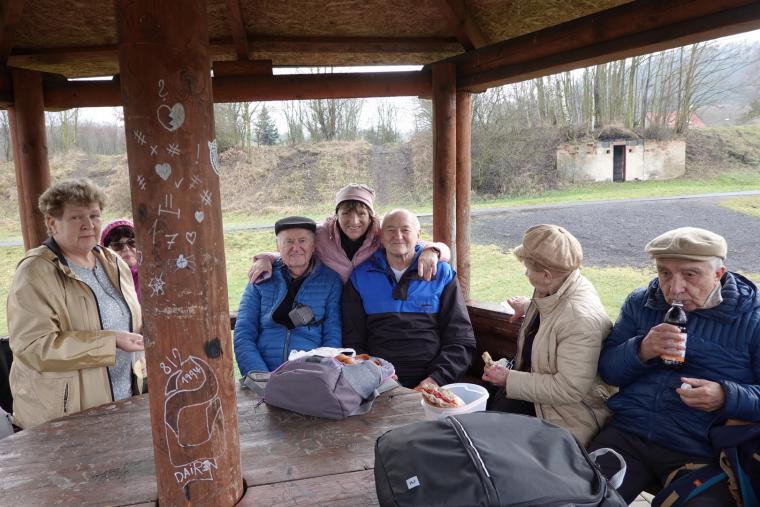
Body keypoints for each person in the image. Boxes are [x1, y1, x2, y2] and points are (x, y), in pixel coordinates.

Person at [589, 227, 760, 505]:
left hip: (702, 451)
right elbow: (608, 371)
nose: (674, 288)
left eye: (690, 274)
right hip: (628, 435)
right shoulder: (641, 303)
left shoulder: (753, 318)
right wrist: (641, 350)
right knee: (577, 497)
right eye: (665, 273)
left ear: (719, 273)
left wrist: (725, 396)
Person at [7, 179, 144, 429]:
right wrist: (110, 341)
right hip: (65, 418)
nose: (88, 224)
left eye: (94, 215)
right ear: (52, 223)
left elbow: (132, 318)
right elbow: (33, 346)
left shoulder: (112, 261)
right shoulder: (35, 272)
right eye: (76, 217)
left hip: (121, 402)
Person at [481, 225, 612, 447]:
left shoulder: (580, 319)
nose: (525, 273)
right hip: (538, 399)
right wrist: (527, 306)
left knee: (491, 440)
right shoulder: (557, 285)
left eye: (527, 268)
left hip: (564, 417)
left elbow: (568, 389)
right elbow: (555, 309)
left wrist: (508, 379)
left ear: (546, 275)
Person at [342, 208, 475, 388]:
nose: (398, 236)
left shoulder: (442, 274)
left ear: (418, 235)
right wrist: (376, 376)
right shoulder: (360, 277)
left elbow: (460, 338)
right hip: (379, 380)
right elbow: (353, 341)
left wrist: (436, 379)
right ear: (381, 236)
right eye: (390, 230)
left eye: (405, 230)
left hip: (434, 378)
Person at [248, 183, 450, 284]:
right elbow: (296, 249)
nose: (354, 221)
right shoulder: (322, 235)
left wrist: (433, 251)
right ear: (336, 215)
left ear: (371, 216)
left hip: (368, 305)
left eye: (361, 213)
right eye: (346, 213)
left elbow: (416, 244)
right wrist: (266, 258)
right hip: (331, 305)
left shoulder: (381, 235)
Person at [234, 216, 343, 376]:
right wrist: (261, 377)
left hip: (310, 375)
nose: (296, 248)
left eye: (302, 241)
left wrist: (319, 375)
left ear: (313, 246)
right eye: (288, 242)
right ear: (278, 245)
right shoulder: (262, 277)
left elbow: (332, 337)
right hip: (264, 374)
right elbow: (243, 334)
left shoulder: (330, 281)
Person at [101, 218, 141, 300]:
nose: (126, 249)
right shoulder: (103, 280)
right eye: (117, 245)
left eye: (132, 242)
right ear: (106, 251)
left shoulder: (152, 275)